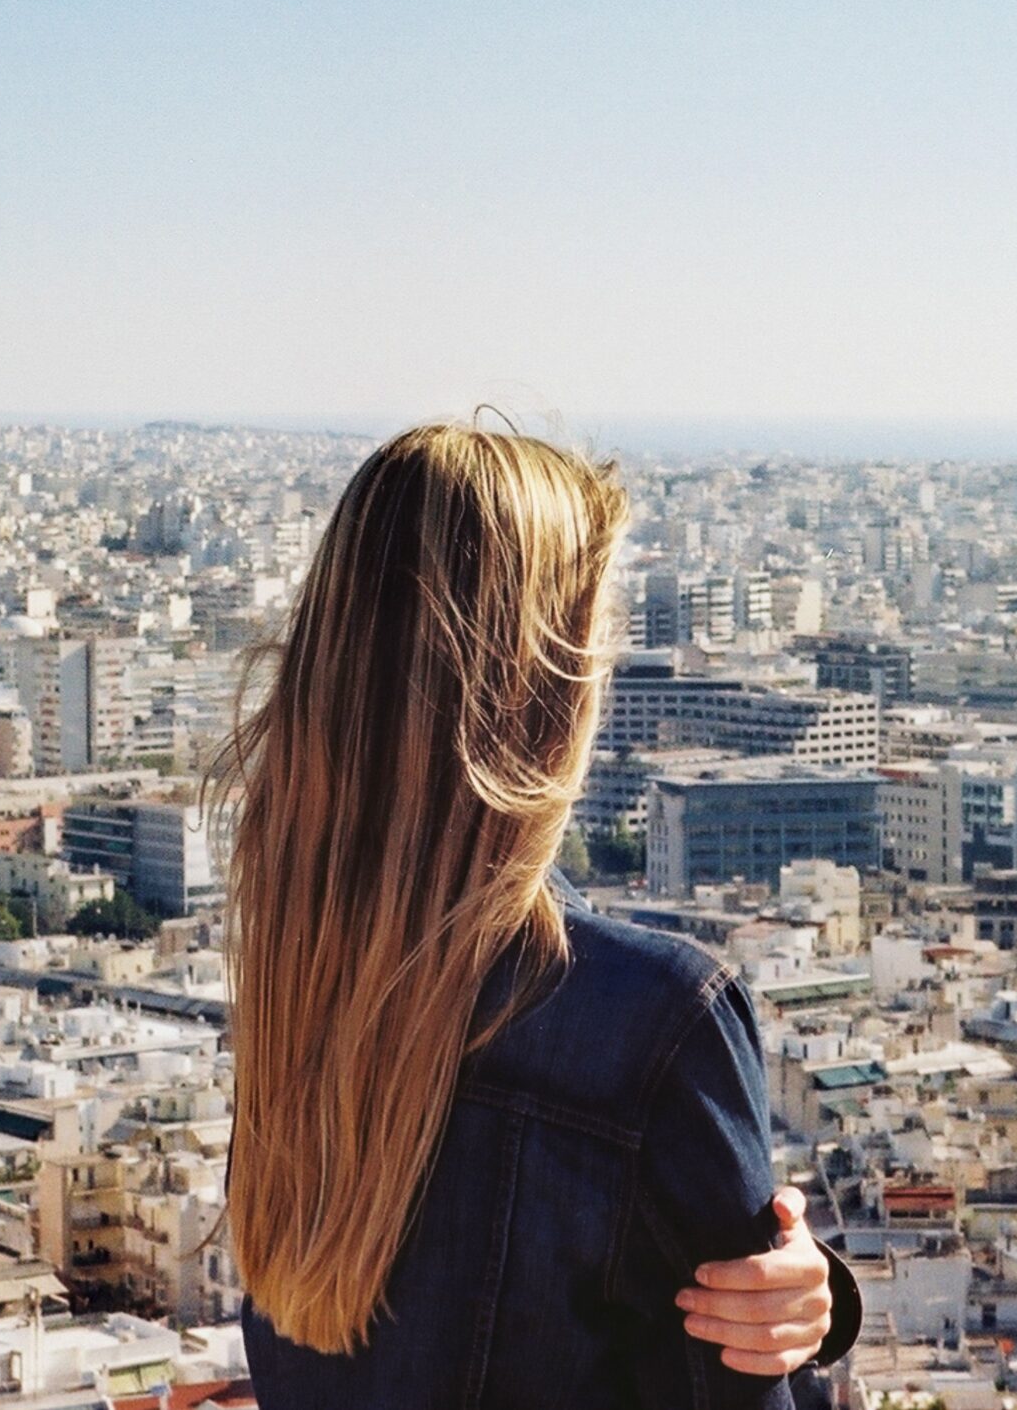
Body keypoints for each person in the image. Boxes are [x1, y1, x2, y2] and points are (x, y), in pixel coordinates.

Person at [223, 422, 861, 1407]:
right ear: (547, 688)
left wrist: (812, 1302)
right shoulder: (652, 1027)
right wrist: (815, 1334)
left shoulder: (292, 997)